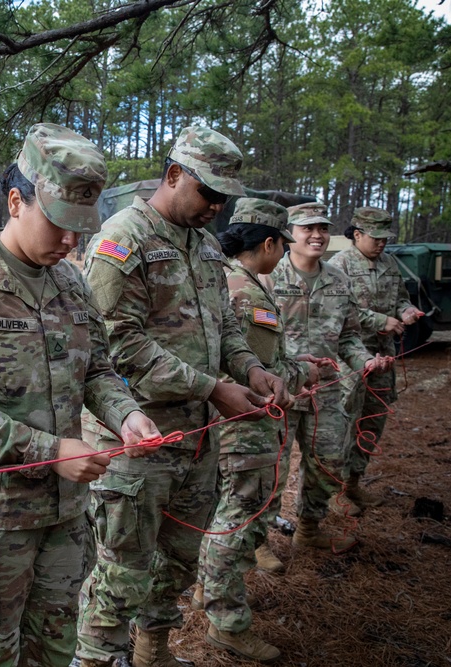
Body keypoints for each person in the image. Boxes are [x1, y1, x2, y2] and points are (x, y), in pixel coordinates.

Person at [0, 123, 161, 667]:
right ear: (16, 201)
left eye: (82, 228)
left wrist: (127, 415)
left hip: (63, 516)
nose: (72, 241)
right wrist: (49, 451)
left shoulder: (71, 284)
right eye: (61, 224)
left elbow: (96, 369)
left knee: (53, 650)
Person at [74, 126, 290, 667]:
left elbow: (226, 330)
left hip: (195, 439)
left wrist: (251, 370)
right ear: (173, 175)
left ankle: (154, 652)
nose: (216, 208)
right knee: (121, 571)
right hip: (137, 441)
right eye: (208, 194)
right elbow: (115, 344)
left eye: (224, 199)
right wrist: (213, 388)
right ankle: (96, 657)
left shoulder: (207, 246)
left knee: (178, 558)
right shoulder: (122, 240)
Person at [192, 198, 326, 663]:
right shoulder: (243, 293)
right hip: (244, 428)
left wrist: (297, 366)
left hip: (243, 425)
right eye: (281, 245)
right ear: (268, 244)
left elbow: (267, 362)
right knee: (237, 519)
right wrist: (300, 377)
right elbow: (251, 374)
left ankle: (209, 592)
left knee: (229, 515)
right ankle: (226, 622)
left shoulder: (238, 282)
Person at [263, 202, 393, 554]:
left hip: (326, 391)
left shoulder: (338, 280)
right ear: (290, 234)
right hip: (280, 391)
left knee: (329, 463)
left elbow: (349, 336)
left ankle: (308, 528)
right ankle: (256, 543)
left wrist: (365, 361)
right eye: (308, 228)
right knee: (268, 469)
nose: (317, 235)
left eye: (323, 228)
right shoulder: (268, 276)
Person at [330, 207, 423, 512]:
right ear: (357, 234)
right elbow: (340, 311)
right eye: (376, 237)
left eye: (385, 238)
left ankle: (354, 483)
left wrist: (406, 311)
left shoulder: (389, 263)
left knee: (373, 418)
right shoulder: (338, 265)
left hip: (384, 357)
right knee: (343, 422)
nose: (382, 243)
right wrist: (379, 320)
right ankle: (332, 491)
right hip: (349, 359)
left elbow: (400, 298)